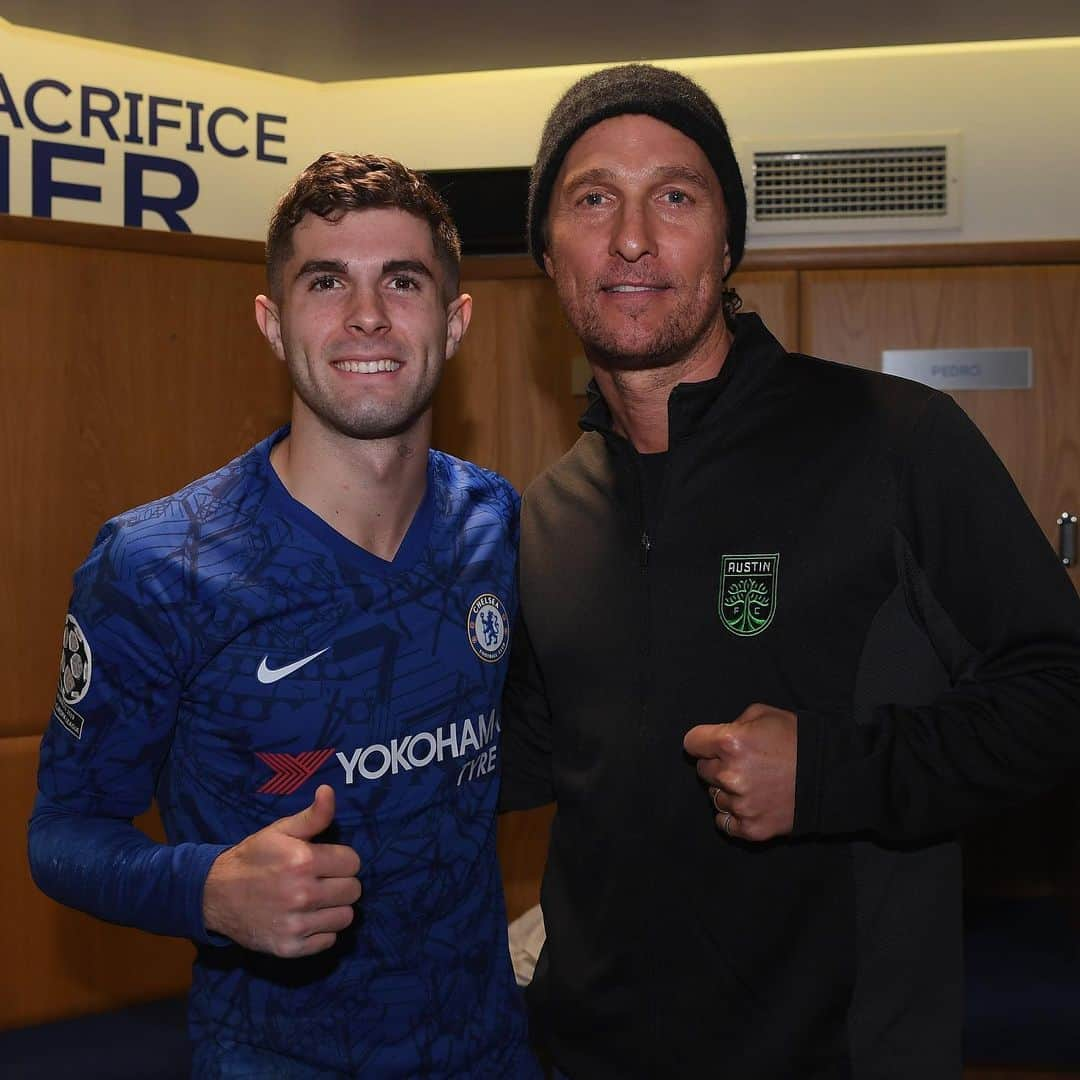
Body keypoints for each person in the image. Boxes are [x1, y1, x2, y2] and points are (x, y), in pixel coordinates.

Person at [500, 63, 1080, 1079]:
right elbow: (540, 752)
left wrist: (831, 774)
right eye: (594, 199)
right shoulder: (546, 513)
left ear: (726, 243)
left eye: (674, 195)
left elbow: (1059, 691)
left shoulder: (893, 441)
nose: (632, 237)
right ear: (550, 251)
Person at [30, 152, 539, 1079]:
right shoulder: (156, 566)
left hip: (489, 1051)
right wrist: (209, 890)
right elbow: (63, 832)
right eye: (325, 281)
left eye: (404, 280)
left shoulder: (495, 521)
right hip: (274, 1059)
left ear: (456, 321)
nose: (367, 315)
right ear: (272, 322)